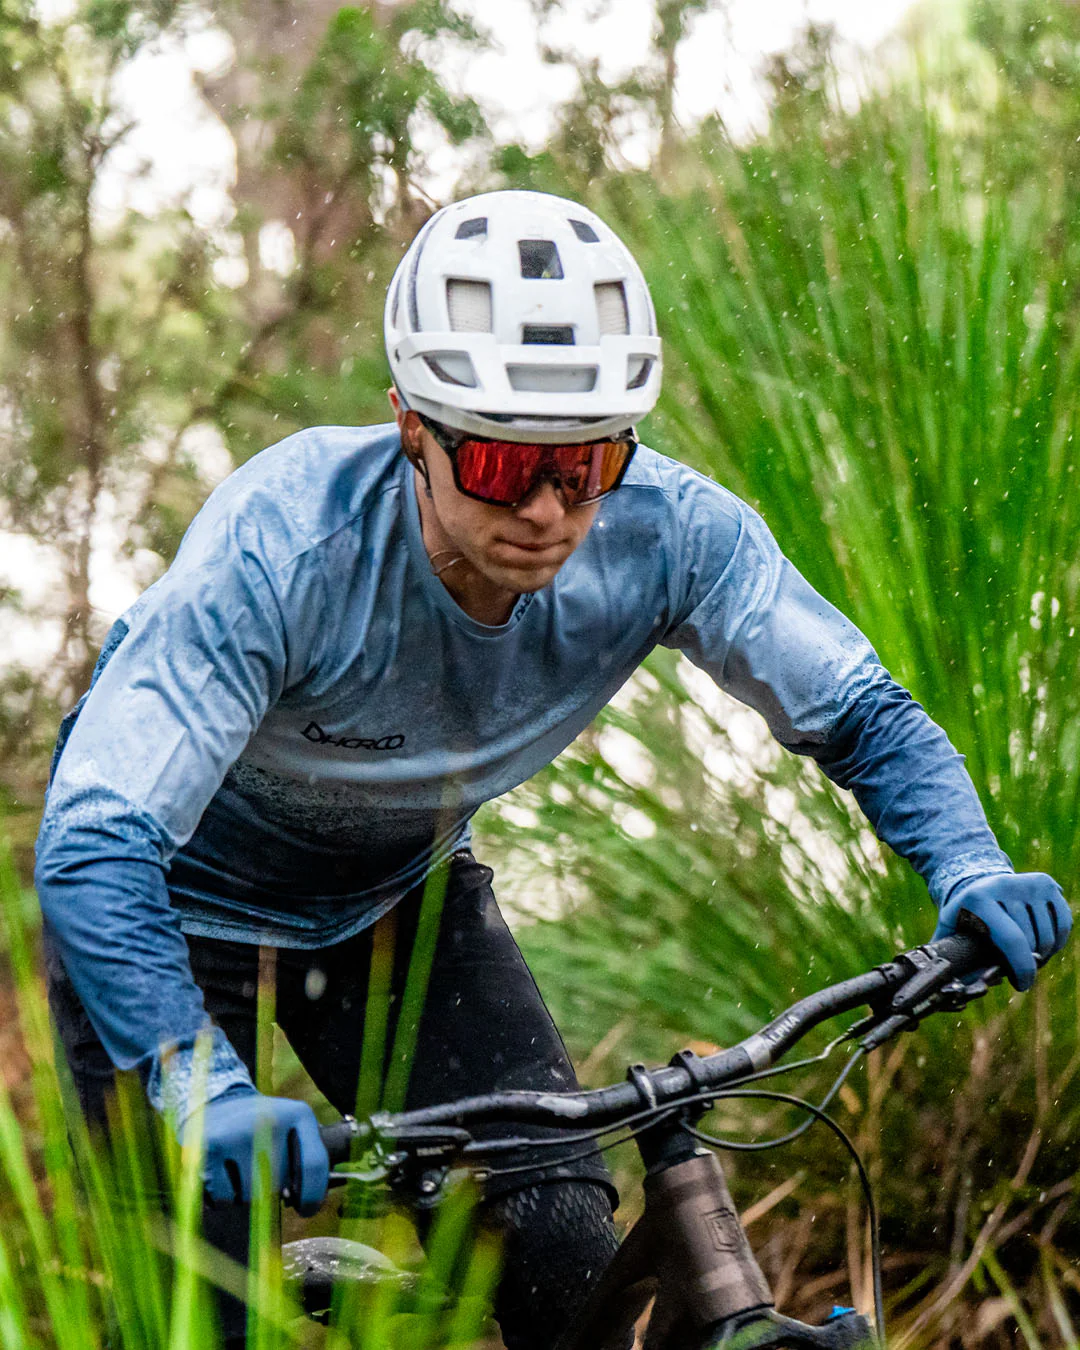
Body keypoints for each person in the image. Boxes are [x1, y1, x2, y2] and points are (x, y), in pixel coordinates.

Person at [35, 190, 1071, 1348]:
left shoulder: (673, 533)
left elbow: (861, 711)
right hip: (163, 917)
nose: (545, 508)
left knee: (564, 1251)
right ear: (412, 427)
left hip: (394, 903)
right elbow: (95, 844)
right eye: (497, 461)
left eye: (584, 464)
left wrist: (968, 864)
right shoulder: (285, 547)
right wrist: (196, 1083)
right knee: (197, 1304)